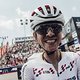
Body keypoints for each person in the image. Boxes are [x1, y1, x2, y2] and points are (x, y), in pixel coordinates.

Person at [21, 4, 80, 80]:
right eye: (42, 28)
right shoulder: (29, 68)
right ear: (35, 36)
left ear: (61, 32)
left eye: (56, 27)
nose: (50, 34)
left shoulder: (75, 59)